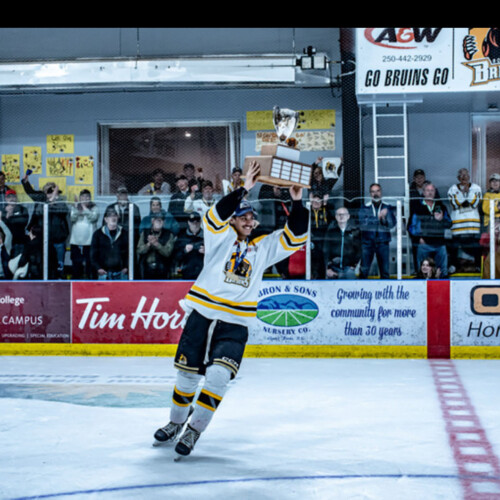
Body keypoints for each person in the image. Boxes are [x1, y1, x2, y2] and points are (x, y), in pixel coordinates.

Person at [153, 161, 309, 458]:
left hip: (235, 323)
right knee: (186, 378)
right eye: (244, 216)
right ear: (233, 220)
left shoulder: (264, 247)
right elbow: (218, 213)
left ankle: (195, 430)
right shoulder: (219, 236)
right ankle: (175, 423)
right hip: (202, 315)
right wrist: (243, 189)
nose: (250, 221)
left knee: (218, 379)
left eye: (252, 217)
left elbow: (296, 235)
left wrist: (297, 201)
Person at [22, 174, 70, 279]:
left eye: (51, 191)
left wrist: (54, 200)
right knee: (45, 264)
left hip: (58, 240)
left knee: (59, 265)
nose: (49, 194)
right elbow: (32, 195)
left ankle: (59, 282)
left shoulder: (61, 202)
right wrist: (26, 183)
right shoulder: (41, 203)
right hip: (43, 240)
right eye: (47, 192)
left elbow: (63, 211)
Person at [408, 181, 452, 278]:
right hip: (424, 244)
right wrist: (419, 239)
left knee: (442, 272)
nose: (430, 193)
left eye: (432, 190)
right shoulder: (417, 207)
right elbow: (411, 226)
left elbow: (449, 223)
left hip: (439, 244)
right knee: (421, 272)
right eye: (427, 190)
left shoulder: (441, 206)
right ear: (423, 192)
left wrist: (441, 220)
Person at [447, 168, 482, 272]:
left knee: (475, 246)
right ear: (458, 178)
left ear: (469, 177)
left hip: (472, 225)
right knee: (454, 246)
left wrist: (466, 192)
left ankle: (477, 265)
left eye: (466, 175)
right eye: (461, 175)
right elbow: (454, 204)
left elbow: (475, 203)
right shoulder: (452, 188)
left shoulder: (476, 188)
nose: (463, 177)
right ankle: (453, 266)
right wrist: (463, 193)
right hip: (458, 226)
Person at [358, 183, 396, 279]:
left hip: (383, 243)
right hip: (367, 243)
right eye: (373, 191)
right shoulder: (364, 207)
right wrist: (378, 218)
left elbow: (392, 225)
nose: (375, 193)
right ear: (370, 194)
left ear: (381, 192)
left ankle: (385, 293)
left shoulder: (387, 207)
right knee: (364, 271)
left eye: (377, 191)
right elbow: (362, 224)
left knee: (385, 272)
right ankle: (361, 292)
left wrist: (384, 218)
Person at [90, 207, 129, 280]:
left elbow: (129, 252)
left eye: (115, 215)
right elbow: (93, 254)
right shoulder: (98, 234)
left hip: (121, 273)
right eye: (110, 216)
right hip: (104, 274)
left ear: (118, 218)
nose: (113, 218)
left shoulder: (124, 233)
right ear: (105, 219)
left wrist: (126, 267)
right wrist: (98, 268)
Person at [323, 207, 361, 279]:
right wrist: (327, 268)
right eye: (339, 214)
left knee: (350, 288)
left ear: (348, 216)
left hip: (349, 269)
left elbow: (359, 250)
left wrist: (354, 265)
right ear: (336, 217)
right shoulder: (331, 232)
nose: (341, 216)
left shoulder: (354, 231)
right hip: (333, 268)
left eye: (344, 214)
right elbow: (326, 251)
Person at [69, 189, 99, 279]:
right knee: (76, 264)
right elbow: (72, 219)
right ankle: (76, 283)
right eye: (82, 197)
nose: (85, 199)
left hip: (89, 242)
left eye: (87, 197)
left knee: (90, 264)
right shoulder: (75, 207)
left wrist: (84, 208)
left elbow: (93, 218)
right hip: (75, 241)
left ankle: (91, 282)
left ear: (90, 198)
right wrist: (76, 207)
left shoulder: (94, 207)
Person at [137, 213, 176, 279]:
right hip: (146, 269)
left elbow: (168, 253)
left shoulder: (169, 235)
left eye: (161, 220)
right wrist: (148, 244)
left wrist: (157, 244)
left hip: (163, 269)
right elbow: (139, 250)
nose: (159, 222)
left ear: (164, 222)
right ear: (152, 221)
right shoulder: (145, 233)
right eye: (157, 220)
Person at [173, 211, 205, 279]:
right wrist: (184, 251)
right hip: (186, 273)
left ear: (200, 222)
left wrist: (206, 252)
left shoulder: (207, 236)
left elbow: (215, 256)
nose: (195, 224)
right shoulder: (181, 237)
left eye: (197, 222)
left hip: (203, 274)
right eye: (192, 222)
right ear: (188, 222)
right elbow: (174, 257)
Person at [0, 189, 29, 258]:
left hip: (20, 242)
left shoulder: (22, 209)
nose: (11, 199)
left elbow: (23, 221)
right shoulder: (3, 211)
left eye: (13, 197)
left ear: (16, 198)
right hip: (7, 243)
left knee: (19, 263)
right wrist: (8, 215)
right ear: (6, 199)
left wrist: (11, 217)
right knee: (7, 264)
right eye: (9, 197)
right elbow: (2, 225)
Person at [309, 192, 331, 279]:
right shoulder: (308, 211)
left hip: (323, 240)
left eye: (319, 201)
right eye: (314, 201)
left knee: (322, 260)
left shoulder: (325, 211)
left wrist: (325, 204)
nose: (316, 203)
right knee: (312, 260)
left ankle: (322, 277)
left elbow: (330, 219)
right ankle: (312, 277)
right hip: (312, 239)